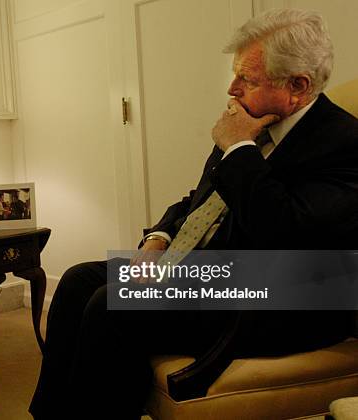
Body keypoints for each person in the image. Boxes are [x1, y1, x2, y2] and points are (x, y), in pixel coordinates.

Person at [30, 9, 358, 419]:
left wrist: (239, 150)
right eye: (236, 74)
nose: (232, 88)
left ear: (298, 86)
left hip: (281, 294)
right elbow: (201, 200)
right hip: (206, 269)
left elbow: (285, 230)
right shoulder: (251, 122)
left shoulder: (344, 143)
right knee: (79, 280)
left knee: (112, 302)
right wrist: (159, 238)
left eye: (248, 79)